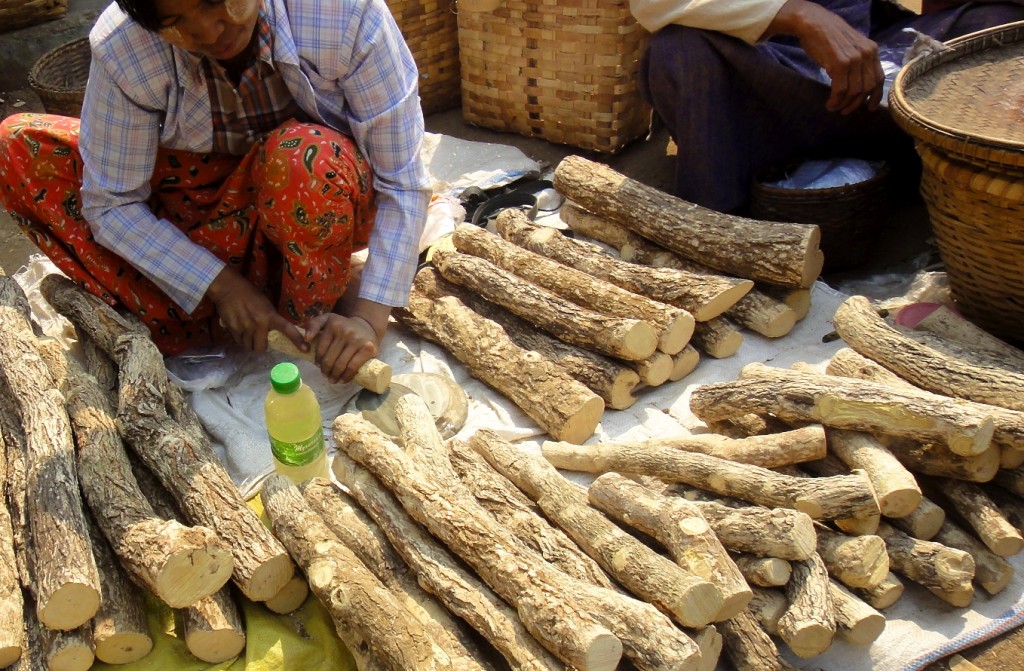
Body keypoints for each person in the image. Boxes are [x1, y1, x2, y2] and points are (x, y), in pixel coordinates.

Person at [0, 0, 431, 384]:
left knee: (305, 158)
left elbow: (402, 178)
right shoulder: (124, 46)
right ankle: (234, 304)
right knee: (19, 146)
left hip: (310, 199)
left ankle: (309, 296)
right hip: (197, 216)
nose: (207, 32)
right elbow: (112, 202)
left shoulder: (345, 14)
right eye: (174, 22)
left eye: (215, 2)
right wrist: (221, 286)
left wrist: (371, 321)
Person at [630, 0, 1024, 213]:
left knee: (998, 25)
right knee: (678, 52)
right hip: (761, 75)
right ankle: (717, 224)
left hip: (874, 63)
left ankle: (915, 182)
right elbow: (654, 3)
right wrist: (800, 15)